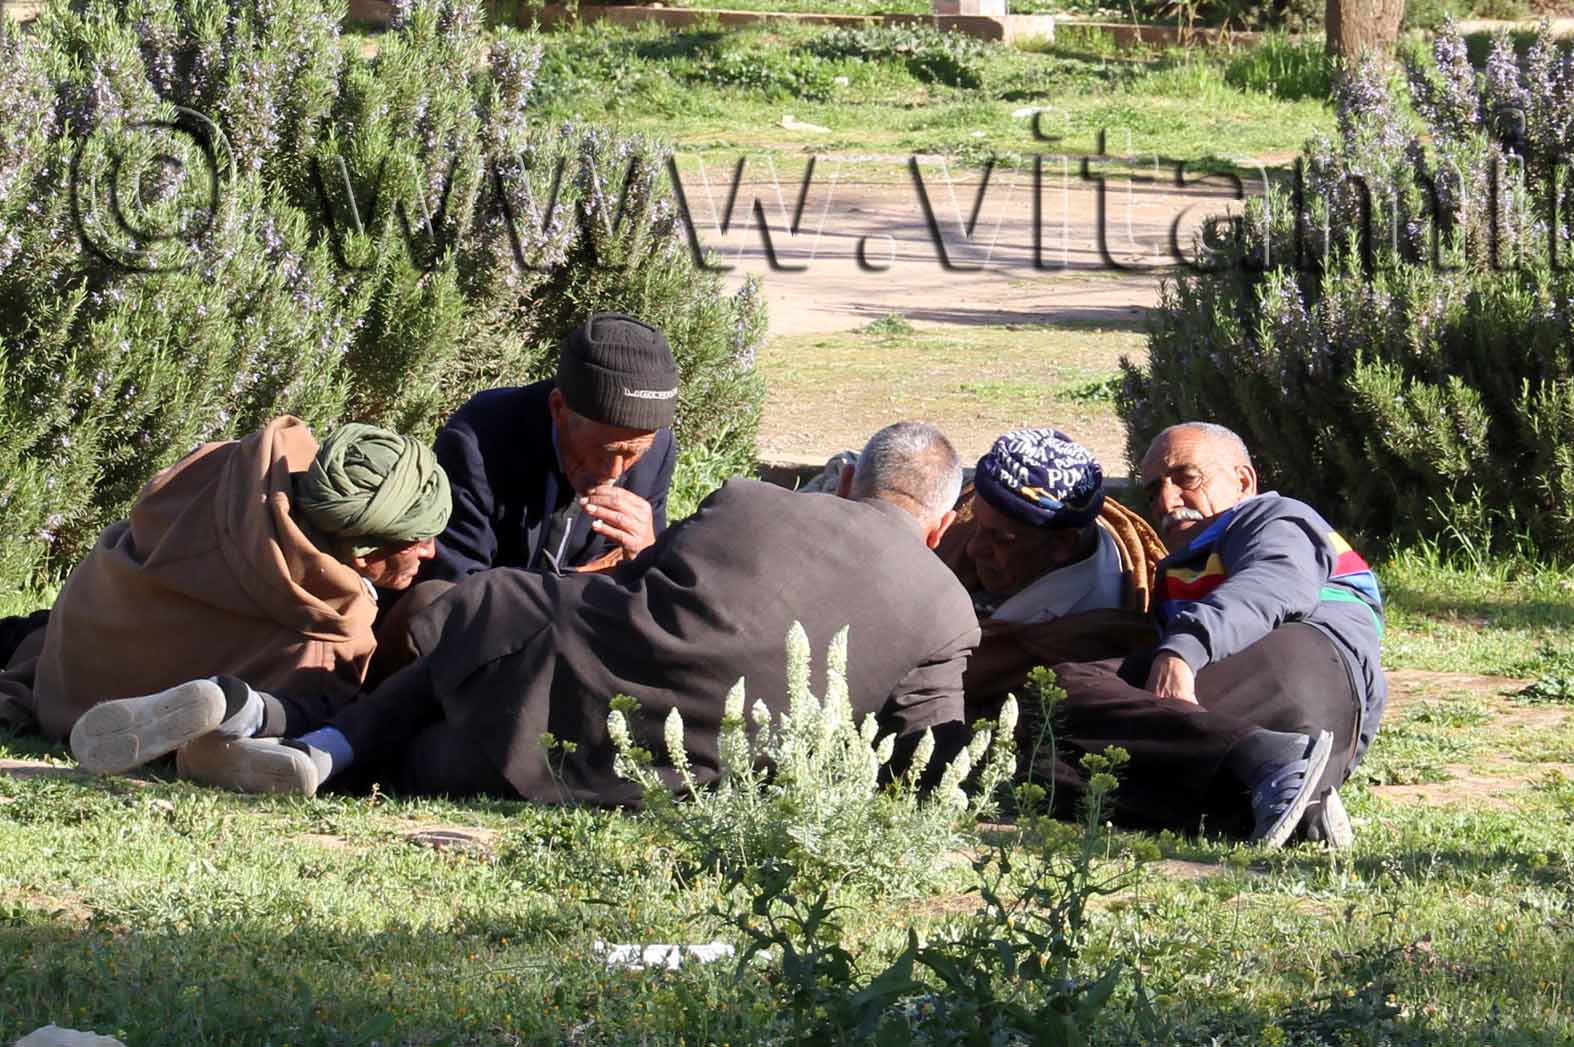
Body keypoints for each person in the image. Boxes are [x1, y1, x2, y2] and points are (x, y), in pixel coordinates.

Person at [170, 440, 980, 806]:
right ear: (941, 525)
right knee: (424, 757)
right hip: (671, 785)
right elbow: (927, 755)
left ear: (850, 479)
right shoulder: (946, 606)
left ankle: (293, 729)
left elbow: (635, 589)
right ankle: (309, 743)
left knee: (486, 607)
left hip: (544, 691)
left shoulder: (749, 499)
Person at [0, 420, 449, 776]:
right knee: (329, 711)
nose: (431, 552)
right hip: (131, 700)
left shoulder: (212, 480)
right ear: (363, 553)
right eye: (418, 541)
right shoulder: (328, 630)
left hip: (67, 674)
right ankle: (232, 713)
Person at [1033, 422, 1386, 850]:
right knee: (1048, 741)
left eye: (1186, 478)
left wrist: (1181, 651)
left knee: (1062, 698)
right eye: (1153, 491)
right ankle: (1290, 799)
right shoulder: (1175, 573)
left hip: (1305, 669)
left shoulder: (1275, 517)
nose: (1166, 501)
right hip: (1266, 728)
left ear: (1243, 481)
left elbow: (1273, 585)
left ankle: (1274, 765)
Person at [927, 428, 1167, 718]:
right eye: (977, 523)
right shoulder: (988, 522)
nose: (973, 548)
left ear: (1062, 545)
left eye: (1000, 539)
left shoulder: (1087, 636)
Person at [426, 313, 678, 582]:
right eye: (606, 450)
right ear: (558, 408)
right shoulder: (480, 442)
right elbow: (455, 586)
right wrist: (581, 581)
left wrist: (648, 554)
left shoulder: (657, 452)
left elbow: (644, 579)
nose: (613, 472)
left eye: (634, 453)